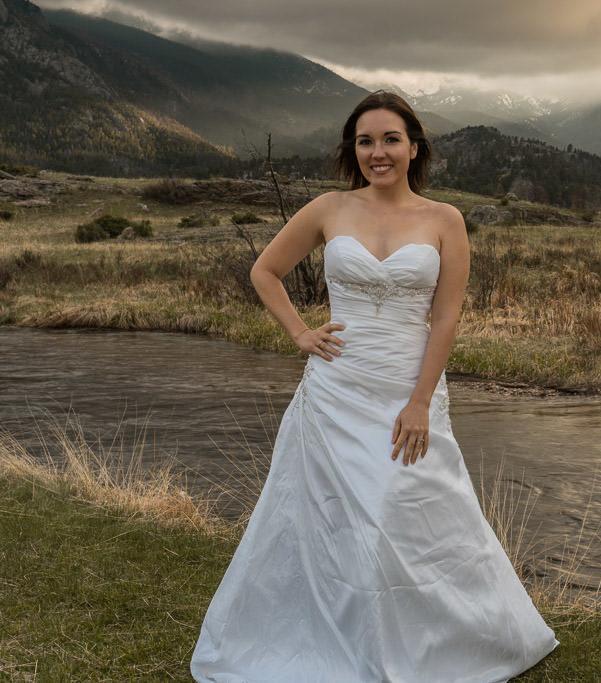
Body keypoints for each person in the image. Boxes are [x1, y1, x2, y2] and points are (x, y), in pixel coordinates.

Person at [191, 91, 558, 681]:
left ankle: (441, 642)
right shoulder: (329, 208)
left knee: (407, 510)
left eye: (390, 139)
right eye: (365, 141)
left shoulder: (445, 221)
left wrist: (419, 401)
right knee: (335, 519)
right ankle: (342, 639)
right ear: (352, 149)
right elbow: (265, 270)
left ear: (415, 148)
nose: (377, 152)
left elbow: (445, 318)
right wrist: (300, 333)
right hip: (336, 389)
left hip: (409, 388)